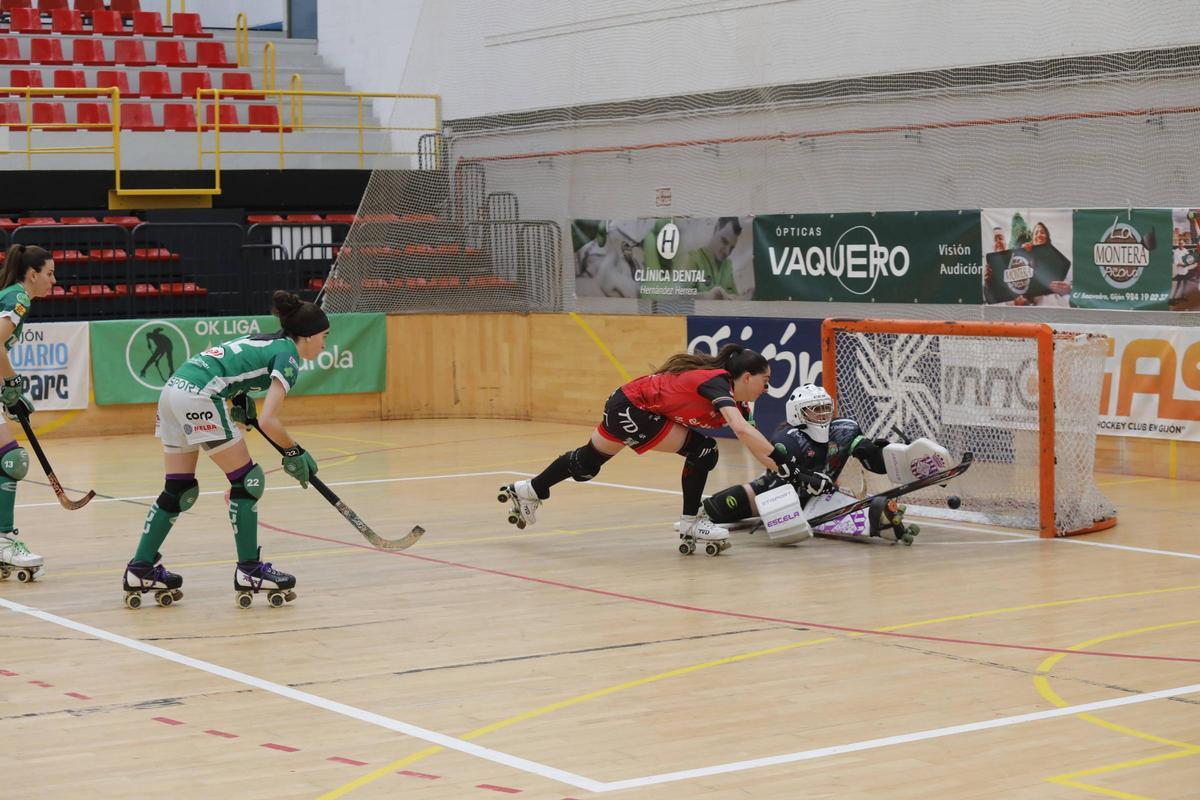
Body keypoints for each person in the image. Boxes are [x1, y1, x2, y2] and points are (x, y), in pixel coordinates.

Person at [122, 290, 329, 608]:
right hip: (199, 395)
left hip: (174, 391)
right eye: (324, 337)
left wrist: (239, 397)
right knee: (248, 481)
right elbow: (269, 420)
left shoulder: (266, 339)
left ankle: (140, 569)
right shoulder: (288, 355)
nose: (325, 344)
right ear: (309, 335)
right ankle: (250, 571)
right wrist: (294, 452)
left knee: (178, 488)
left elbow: (229, 365)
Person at [498, 343, 778, 555]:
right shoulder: (718, 383)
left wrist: (782, 469)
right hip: (633, 408)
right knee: (704, 451)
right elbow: (740, 429)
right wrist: (781, 460)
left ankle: (528, 490)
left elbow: (752, 442)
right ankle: (691, 522)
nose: (766, 389)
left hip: (625, 402)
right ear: (746, 377)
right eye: (764, 382)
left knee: (586, 464)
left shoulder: (740, 404)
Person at [698, 383, 904, 544]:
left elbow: (874, 465)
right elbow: (786, 474)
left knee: (876, 514)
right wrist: (810, 480)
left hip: (822, 496)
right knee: (718, 507)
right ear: (798, 413)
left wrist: (879, 453)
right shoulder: (787, 440)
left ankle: (881, 523)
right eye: (816, 409)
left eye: (825, 408)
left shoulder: (845, 429)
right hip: (778, 492)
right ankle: (696, 518)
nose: (822, 413)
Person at [0, 245, 55, 582]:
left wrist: (8, 393)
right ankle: (4, 540)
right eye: (49, 273)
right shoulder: (18, 297)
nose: (53, 280)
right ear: (32, 274)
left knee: (9, 460)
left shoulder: (11, 296)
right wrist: (12, 385)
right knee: (12, 460)